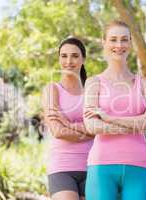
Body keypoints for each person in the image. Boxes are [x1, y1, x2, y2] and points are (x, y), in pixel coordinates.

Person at [83, 20, 146, 200]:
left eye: (124, 40)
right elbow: (91, 125)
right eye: (113, 40)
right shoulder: (93, 82)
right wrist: (134, 125)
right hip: (101, 166)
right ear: (104, 42)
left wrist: (108, 118)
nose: (119, 45)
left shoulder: (144, 84)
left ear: (130, 43)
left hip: (138, 165)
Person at [42, 37, 94, 200]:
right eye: (64, 56)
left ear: (83, 59)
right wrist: (88, 131)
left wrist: (66, 123)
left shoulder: (92, 90)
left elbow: (100, 129)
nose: (69, 61)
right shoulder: (52, 90)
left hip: (93, 166)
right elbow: (57, 131)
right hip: (61, 167)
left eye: (74, 56)